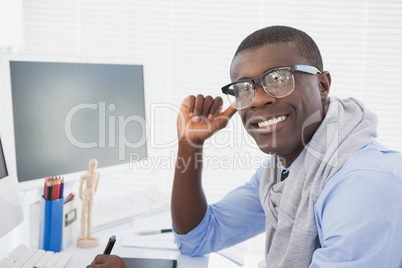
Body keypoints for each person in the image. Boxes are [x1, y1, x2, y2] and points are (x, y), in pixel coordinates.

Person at [87, 25, 402, 267]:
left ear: (322, 85)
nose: (260, 99)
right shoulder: (283, 170)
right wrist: (189, 143)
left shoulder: (363, 184)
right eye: (244, 88)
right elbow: (197, 238)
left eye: (278, 79)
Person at [78, 158, 101, 248]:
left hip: (91, 193)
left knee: (89, 215)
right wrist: (80, 193)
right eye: (91, 165)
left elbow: (96, 185)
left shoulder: (97, 174)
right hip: (86, 192)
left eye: (94, 165)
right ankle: (83, 234)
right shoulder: (86, 174)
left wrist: (94, 192)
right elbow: (80, 185)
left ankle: (89, 234)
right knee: (83, 214)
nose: (92, 167)